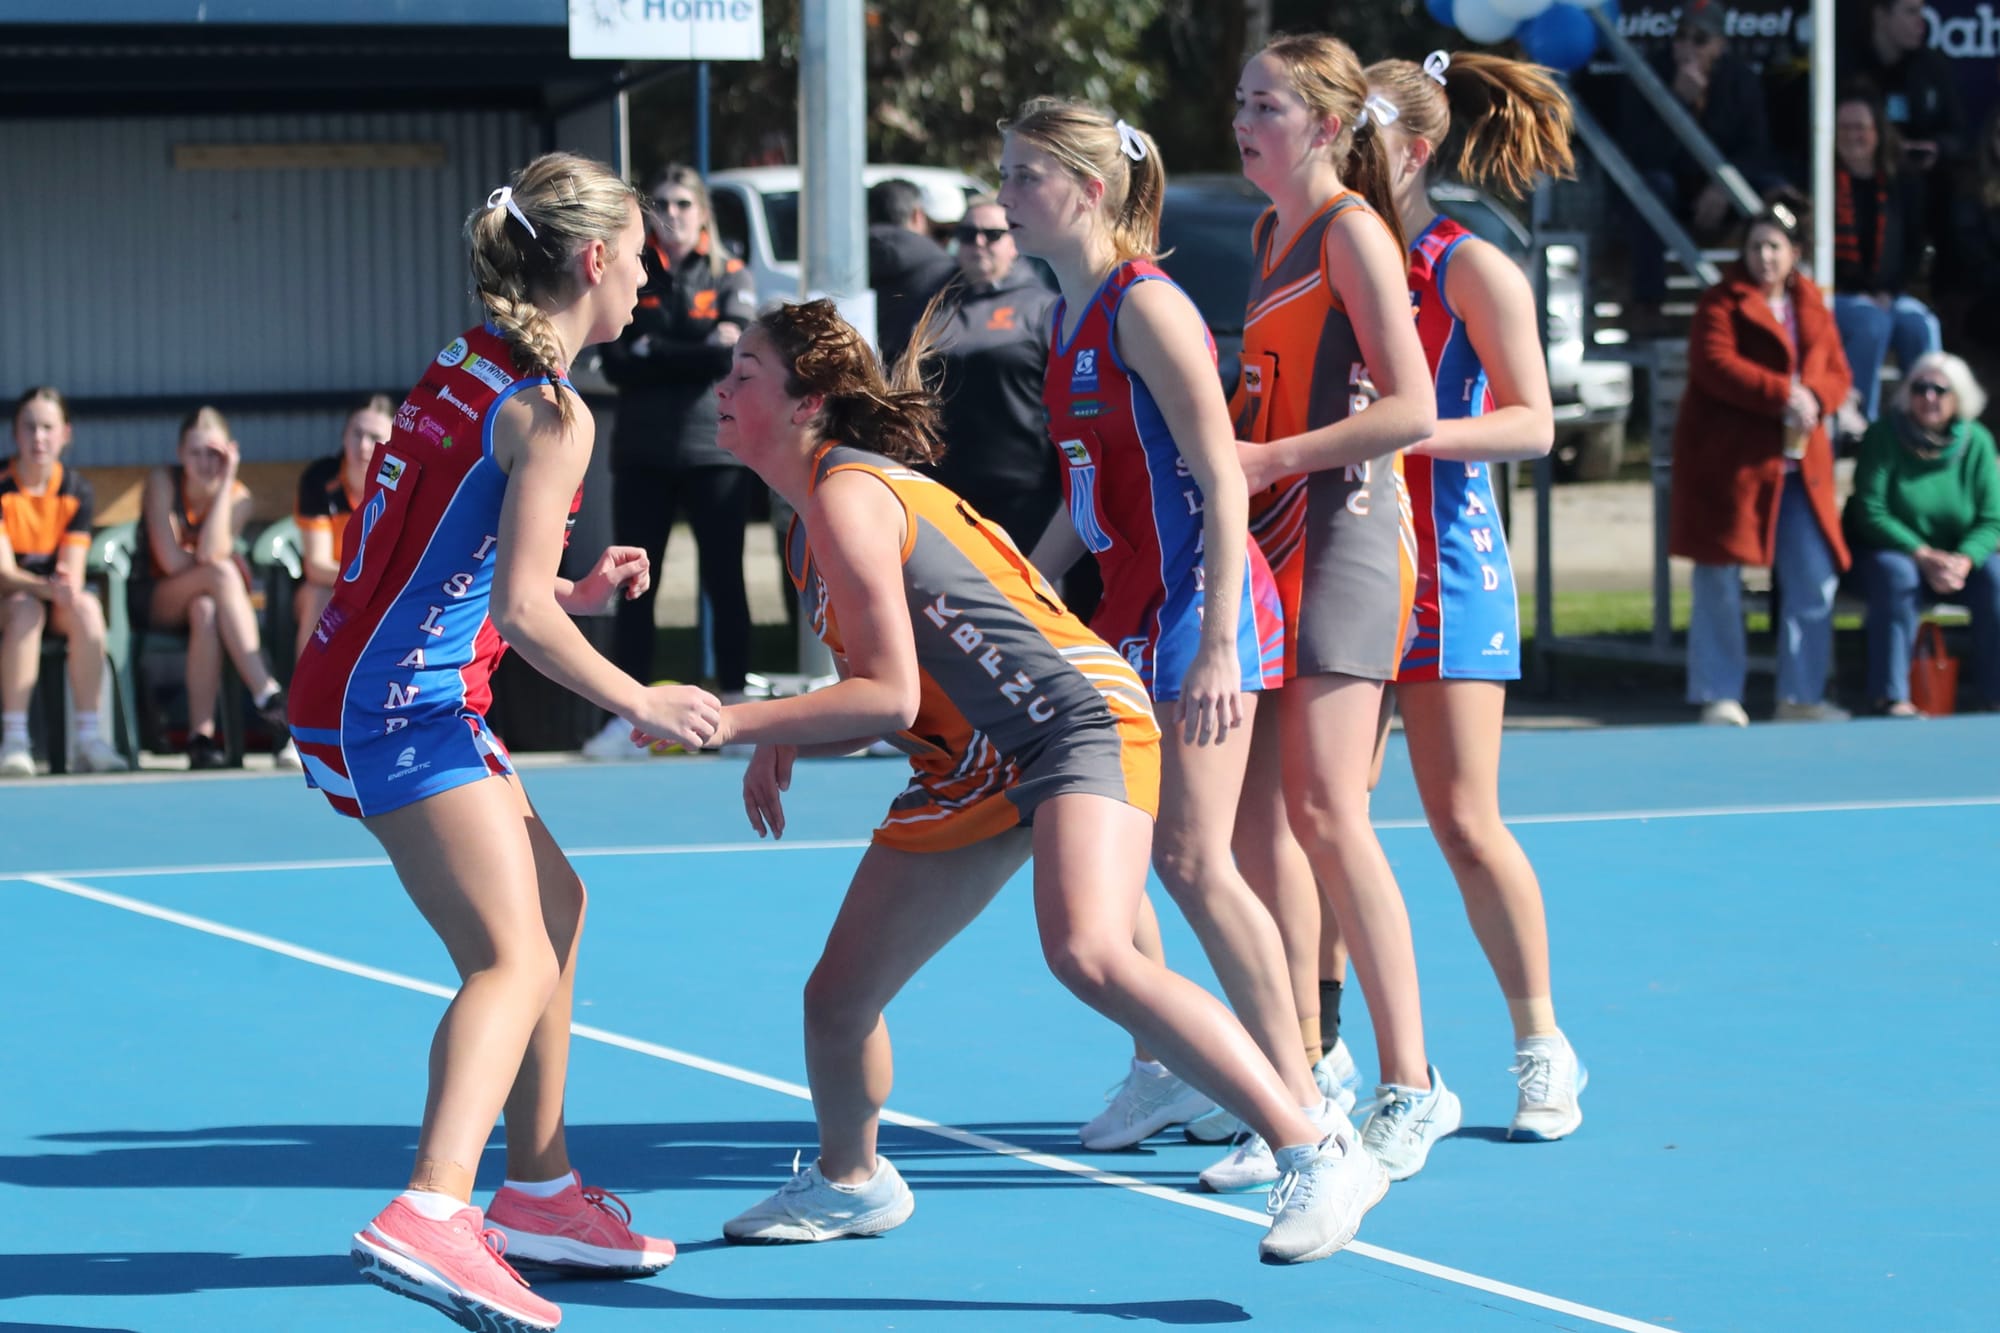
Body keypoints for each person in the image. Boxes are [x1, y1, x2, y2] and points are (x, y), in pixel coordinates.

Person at [695, 296, 1385, 1265]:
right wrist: (793, 734)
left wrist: (733, 719)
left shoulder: (850, 494)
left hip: (1074, 719)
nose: (722, 390)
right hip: (976, 759)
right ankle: (852, 1183)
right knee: (837, 998)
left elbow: (885, 695)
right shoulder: (812, 525)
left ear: (808, 403)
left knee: (1088, 949)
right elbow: (891, 695)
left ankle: (1312, 1144)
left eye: (745, 375)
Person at [289, 153, 719, 1332]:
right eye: (640, 258)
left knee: (556, 909)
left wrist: (572, 594)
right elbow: (519, 615)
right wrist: (638, 699)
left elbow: (457, 550)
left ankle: (537, 1190)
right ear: (596, 260)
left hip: (377, 680)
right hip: (402, 704)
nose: (649, 278)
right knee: (510, 959)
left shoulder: (470, 364)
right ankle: (432, 1207)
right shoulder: (551, 413)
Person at [1001, 97, 1342, 1192]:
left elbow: (1219, 474)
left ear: (1088, 190)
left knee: (1196, 857)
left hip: (1203, 608)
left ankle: (1301, 1096)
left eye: (1023, 176)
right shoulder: (1067, 315)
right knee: (1123, 853)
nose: (1003, 197)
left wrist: (1218, 645)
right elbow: (1087, 492)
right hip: (1129, 613)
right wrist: (1021, 584)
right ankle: (1168, 1064)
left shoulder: (1145, 305)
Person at [1223, 34, 1449, 1184]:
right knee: (1253, 823)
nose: (1240, 121)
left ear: (1322, 124)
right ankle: (1306, 1076)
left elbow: (1410, 407)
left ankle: (1414, 1082)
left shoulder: (1352, 232)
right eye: (1238, 101)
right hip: (1273, 538)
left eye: (1264, 105)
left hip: (1346, 533)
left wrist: (1271, 458)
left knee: (1326, 808)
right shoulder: (1270, 236)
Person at [1363, 48, 1587, 1140]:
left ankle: (1542, 1047)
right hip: (1344, 559)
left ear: (1412, 151)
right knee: (1324, 820)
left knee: (1461, 819)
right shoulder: (1316, 250)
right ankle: (1329, 1054)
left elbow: (1532, 422)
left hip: (1445, 565)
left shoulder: (1467, 265)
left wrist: (1399, 433)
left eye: (1354, 132)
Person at [587, 163, 758, 760]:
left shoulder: (731, 272)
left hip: (714, 451)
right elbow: (615, 361)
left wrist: (654, 348)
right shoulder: (636, 268)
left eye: (684, 203)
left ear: (703, 211)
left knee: (725, 578)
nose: (674, 214)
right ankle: (627, 718)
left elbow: (729, 356)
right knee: (634, 584)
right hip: (643, 452)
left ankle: (736, 709)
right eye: (662, 203)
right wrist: (693, 345)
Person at [1669, 201, 1854, 725]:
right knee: (1719, 579)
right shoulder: (1721, 302)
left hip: (1801, 470)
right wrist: (1782, 394)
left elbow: (1837, 372)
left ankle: (1801, 696)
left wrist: (1814, 397)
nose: (1765, 257)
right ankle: (1718, 695)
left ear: (1795, 252)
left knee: (1813, 577)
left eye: (1775, 247)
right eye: (1756, 246)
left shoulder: (1811, 302)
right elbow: (1714, 365)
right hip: (1732, 467)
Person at [132, 406, 295, 770]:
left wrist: (226, 481)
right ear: (180, 453)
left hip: (205, 602)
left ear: (230, 454)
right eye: (196, 452)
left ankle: (200, 738)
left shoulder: (239, 497)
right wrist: (206, 567)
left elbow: (207, 550)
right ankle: (266, 691)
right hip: (156, 597)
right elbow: (173, 562)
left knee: (205, 608)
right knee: (220, 574)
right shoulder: (163, 482)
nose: (205, 462)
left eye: (214, 453)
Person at [1845, 353, 2000, 714]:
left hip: (1955, 563)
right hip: (1891, 554)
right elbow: (1870, 511)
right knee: (1897, 576)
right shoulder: (1883, 436)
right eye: (1920, 388)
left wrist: (1964, 560)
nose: (1929, 397)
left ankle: (1994, 693)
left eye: (1940, 390)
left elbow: (1991, 520)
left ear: (1959, 396)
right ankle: (1891, 695)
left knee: (1996, 578)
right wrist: (1922, 554)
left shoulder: (1977, 442)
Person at [1618, 2, 1779, 325]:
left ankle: (1775, 296)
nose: (1687, 47)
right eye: (1681, 36)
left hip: (1725, 193)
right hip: (1673, 188)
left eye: (1700, 39)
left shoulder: (1740, 79)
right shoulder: (1650, 72)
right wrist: (1677, 101)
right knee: (1653, 188)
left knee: (1775, 191)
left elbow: (1757, 149)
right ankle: (1648, 303)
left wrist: (1724, 187)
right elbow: (1641, 152)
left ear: (1720, 45)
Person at [920, 195, 1063, 552]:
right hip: (946, 491)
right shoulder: (933, 308)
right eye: (967, 234)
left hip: (1025, 495)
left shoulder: (1044, 307)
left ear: (1015, 242)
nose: (979, 243)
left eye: (993, 234)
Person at [0, 386, 126, 776]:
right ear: (15, 433)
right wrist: (43, 588)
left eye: (47, 427)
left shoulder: (77, 490)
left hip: (50, 600)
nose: (38, 437)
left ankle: (89, 739)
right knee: (27, 610)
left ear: (65, 434)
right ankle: (14, 740)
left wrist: (63, 589)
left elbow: (71, 571)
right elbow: (4, 573)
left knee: (87, 609)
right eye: (29, 427)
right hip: (10, 602)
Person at [1832, 86, 1941, 425]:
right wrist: (1864, 293)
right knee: (1871, 323)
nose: (1853, 135)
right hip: (1837, 295)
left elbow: (1914, 247)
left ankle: (1926, 418)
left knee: (1922, 324)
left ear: (1878, 132)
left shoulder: (1901, 183)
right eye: (1844, 127)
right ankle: (1860, 424)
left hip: (1889, 293)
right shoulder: (1820, 180)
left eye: (1860, 127)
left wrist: (1889, 291)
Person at [294, 395, 394, 662]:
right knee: (320, 596)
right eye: (357, 434)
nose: (363, 446)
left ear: (393, 442)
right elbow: (317, 568)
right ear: (343, 436)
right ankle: (307, 688)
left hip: (384, 592)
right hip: (330, 587)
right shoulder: (320, 478)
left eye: (375, 437)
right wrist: (369, 583)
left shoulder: (403, 481)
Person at [868, 178, 958, 364]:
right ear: (918, 215)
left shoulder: (836, 260)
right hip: (916, 370)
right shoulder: (943, 267)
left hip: (852, 369)